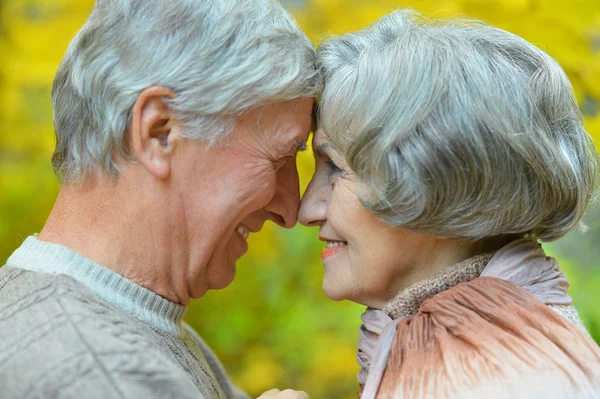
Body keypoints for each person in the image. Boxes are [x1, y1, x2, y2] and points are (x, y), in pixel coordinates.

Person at [0, 0, 318, 398]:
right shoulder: (90, 373)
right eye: (281, 156)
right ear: (159, 132)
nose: (291, 209)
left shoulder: (126, 332)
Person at [299, 9, 600, 398]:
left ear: (435, 177)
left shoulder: (497, 375)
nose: (307, 210)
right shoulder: (489, 344)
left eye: (335, 168)